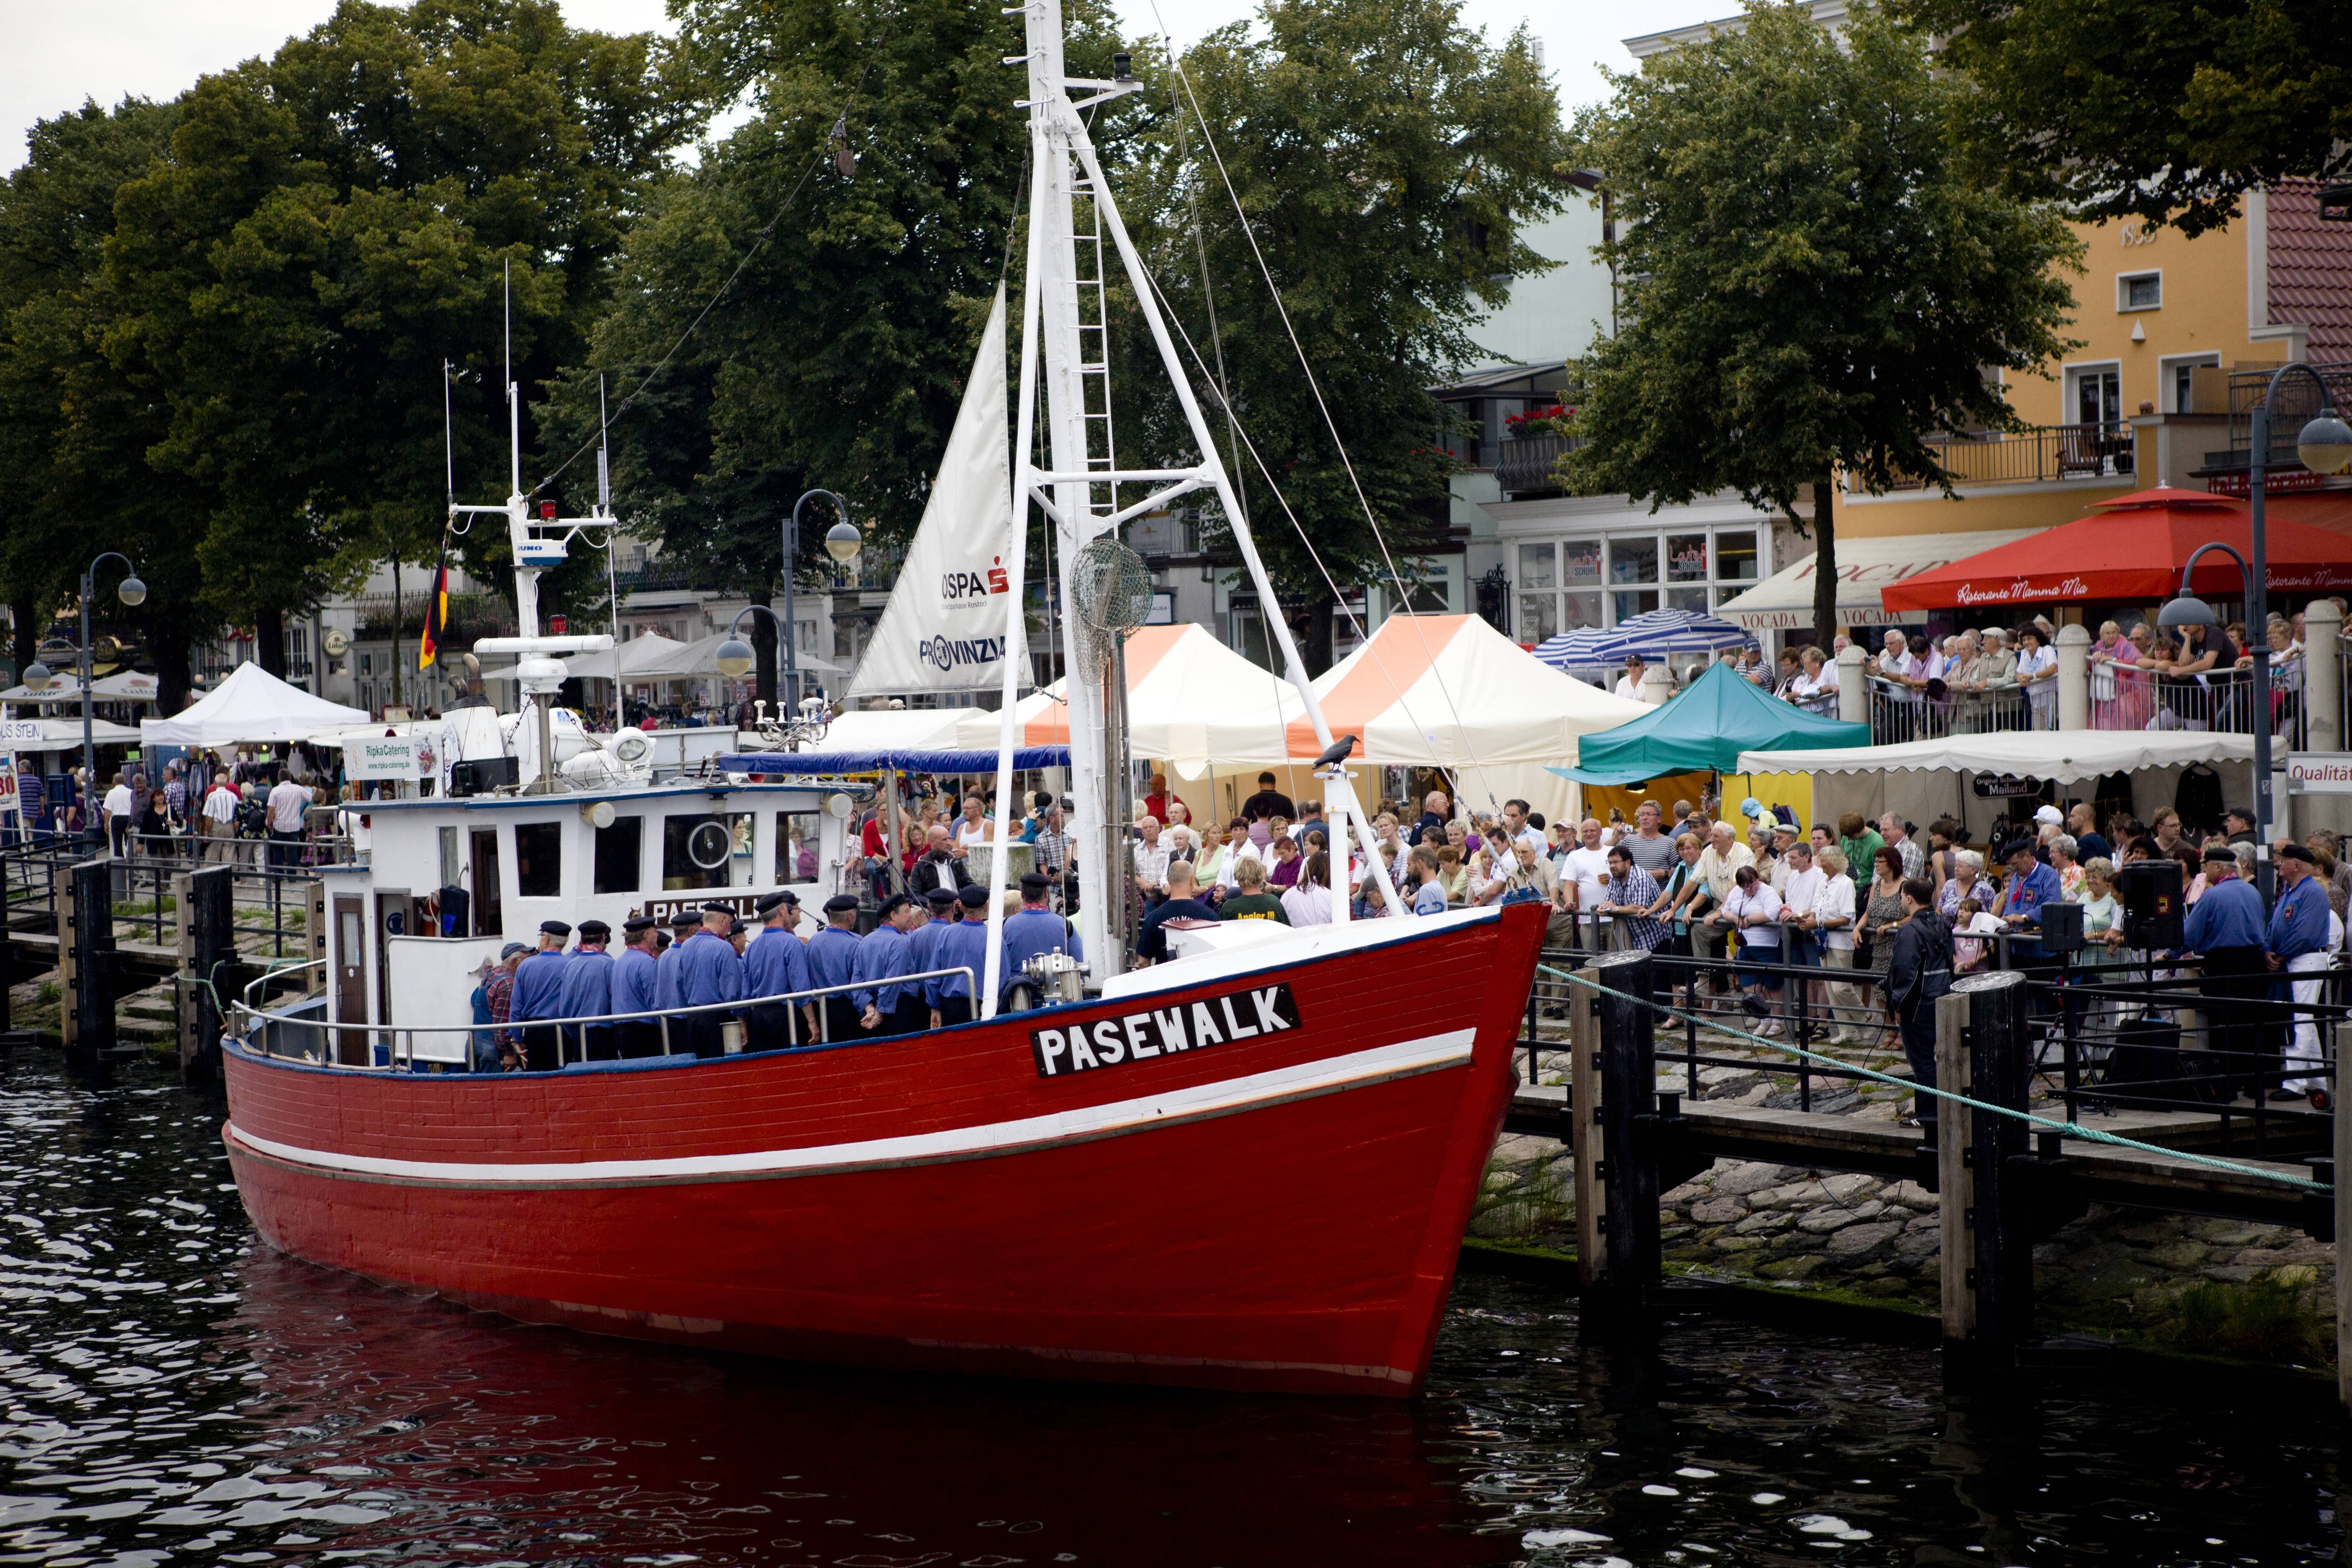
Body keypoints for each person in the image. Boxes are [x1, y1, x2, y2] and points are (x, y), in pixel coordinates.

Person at [2268, 843, 2334, 1098]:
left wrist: (2279, 953)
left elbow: (2304, 934)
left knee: (2300, 1020)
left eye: (2283, 860)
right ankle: (2318, 1083)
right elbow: (2273, 926)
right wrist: (2268, 951)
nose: (2279, 864)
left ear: (2295, 865)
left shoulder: (2312, 893)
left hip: (2306, 959)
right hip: (2292, 960)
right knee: (2303, 1019)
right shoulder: (2289, 891)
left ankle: (2294, 1084)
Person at [1885, 878, 1953, 1126]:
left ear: (1909, 898)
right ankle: (1944, 1110)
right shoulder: (1943, 924)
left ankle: (1929, 1115)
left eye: (1902, 896)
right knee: (1942, 1059)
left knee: (1923, 1061)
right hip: (1944, 999)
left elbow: (1905, 971)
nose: (1901, 900)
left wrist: (1898, 1006)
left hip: (1918, 1005)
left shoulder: (1910, 930)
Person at [1711, 864, 1784, 1030]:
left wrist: (1750, 919)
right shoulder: (1737, 892)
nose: (1751, 889)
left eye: (1754, 884)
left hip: (1768, 945)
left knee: (1773, 984)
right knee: (1749, 985)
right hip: (1745, 946)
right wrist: (1736, 919)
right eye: (1747, 887)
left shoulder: (1768, 891)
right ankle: (1765, 1017)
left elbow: (1772, 913)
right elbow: (1725, 910)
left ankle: (1778, 1021)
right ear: (1740, 886)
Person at [744, 890, 814, 1051]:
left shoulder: (752, 947)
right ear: (782, 911)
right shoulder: (791, 943)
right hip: (785, 1016)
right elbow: (801, 988)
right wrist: (812, 1022)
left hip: (759, 1016)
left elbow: (745, 989)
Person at [1854, 847, 1908, 1046]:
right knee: (1880, 990)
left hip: (1898, 946)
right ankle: (1890, 1031)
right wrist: (1858, 929)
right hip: (1878, 947)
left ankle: (1902, 1033)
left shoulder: (1905, 886)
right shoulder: (1876, 885)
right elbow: (1868, 913)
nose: (1876, 865)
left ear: (1892, 863)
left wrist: (1891, 925)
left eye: (1880, 862)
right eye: (1875, 861)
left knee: (1898, 990)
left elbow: (1912, 915)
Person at [1001, 873, 1083, 1000]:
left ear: (1022, 895)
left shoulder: (1006, 926)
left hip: (1018, 998)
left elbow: (1000, 970)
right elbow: (1078, 966)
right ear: (1046, 894)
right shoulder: (1065, 926)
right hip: (1058, 999)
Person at [679, 905, 747, 1056]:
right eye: (730, 924)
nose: (730, 930)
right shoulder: (724, 948)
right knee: (721, 1068)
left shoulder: (686, 946)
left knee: (699, 1069)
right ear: (722, 920)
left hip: (693, 1016)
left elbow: (683, 980)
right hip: (718, 1018)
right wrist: (742, 1022)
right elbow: (731, 992)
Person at [852, 893, 923, 1037]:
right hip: (898, 1011)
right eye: (907, 911)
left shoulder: (865, 941)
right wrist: (879, 1013)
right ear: (893, 916)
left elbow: (856, 984)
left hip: (875, 1009)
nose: (911, 916)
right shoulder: (899, 942)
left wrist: (869, 1007)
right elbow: (893, 982)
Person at [508, 921, 573, 1072]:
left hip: (534, 1031)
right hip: (562, 1032)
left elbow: (517, 1006)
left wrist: (516, 1039)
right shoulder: (571, 965)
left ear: (546, 939)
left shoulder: (525, 966)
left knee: (536, 1081)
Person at [928, 884, 995, 1025]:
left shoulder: (946, 933)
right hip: (983, 1006)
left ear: (961, 907)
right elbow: (1002, 977)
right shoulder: (993, 937)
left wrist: (935, 1008)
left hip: (950, 1006)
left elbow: (933, 977)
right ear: (986, 907)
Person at [555, 920, 619, 1061]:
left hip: (579, 1032)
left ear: (582, 939)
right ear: (603, 937)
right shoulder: (609, 964)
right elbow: (615, 1001)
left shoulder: (570, 965)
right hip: (603, 1033)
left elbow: (565, 1006)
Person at [807, 894, 867, 1041]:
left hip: (819, 1008)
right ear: (849, 918)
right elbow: (859, 984)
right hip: (846, 1011)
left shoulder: (814, 941)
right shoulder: (855, 944)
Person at [1137, 861, 1222, 962]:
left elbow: (1143, 962)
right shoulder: (1210, 917)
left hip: (1165, 976)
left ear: (1169, 880)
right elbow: (1219, 956)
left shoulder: (1153, 918)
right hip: (1199, 976)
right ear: (1192, 881)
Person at [1594, 844, 1665, 952]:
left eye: (1616, 862)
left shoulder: (1641, 878)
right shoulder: (1615, 877)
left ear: (1628, 863)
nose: (1612, 866)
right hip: (1632, 935)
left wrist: (1615, 909)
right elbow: (1608, 900)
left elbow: (1638, 908)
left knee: (1654, 968)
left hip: (1653, 936)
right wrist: (1603, 907)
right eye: (1610, 863)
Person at [614, 916, 665, 1058]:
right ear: (646, 935)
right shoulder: (646, 962)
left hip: (621, 1028)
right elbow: (653, 1000)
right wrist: (663, 1025)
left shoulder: (620, 960)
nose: (657, 935)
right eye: (655, 932)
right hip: (643, 1030)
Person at [1560, 818, 1612, 948]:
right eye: (1585, 831)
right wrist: (1569, 902)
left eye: (1593, 830)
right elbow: (1568, 884)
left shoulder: (1612, 852)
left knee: (1615, 960)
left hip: (1614, 917)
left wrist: (1612, 878)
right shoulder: (1574, 856)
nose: (1589, 834)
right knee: (1591, 962)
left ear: (1600, 832)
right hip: (1588, 919)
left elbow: (1625, 877)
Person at [1221, 856, 1290, 923]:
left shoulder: (1229, 908)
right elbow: (1288, 931)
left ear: (1237, 877)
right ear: (1261, 875)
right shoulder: (1274, 903)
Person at [1282, 851, 1335, 926]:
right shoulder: (1330, 896)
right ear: (1328, 872)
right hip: (1321, 937)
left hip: (1295, 937)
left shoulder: (1288, 894)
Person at [200, 774, 241, 864]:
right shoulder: (233, 796)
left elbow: (209, 818)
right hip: (230, 826)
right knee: (229, 854)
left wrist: (206, 834)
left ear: (215, 783)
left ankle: (210, 876)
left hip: (216, 827)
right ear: (227, 783)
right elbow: (237, 816)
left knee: (213, 855)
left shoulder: (212, 796)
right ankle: (229, 875)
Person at [1240, 772, 1295, 838]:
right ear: (1274, 784)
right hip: (1280, 837)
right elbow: (1293, 822)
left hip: (1258, 837)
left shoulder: (1251, 800)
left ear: (1260, 784)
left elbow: (1243, 821)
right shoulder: (1286, 800)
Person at [1133, 816, 1172, 906]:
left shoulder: (1169, 844)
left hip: (1168, 899)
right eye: (1145, 828)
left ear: (1158, 829)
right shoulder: (1137, 850)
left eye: (1152, 827)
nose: (1149, 830)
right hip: (1149, 901)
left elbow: (1175, 871)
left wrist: (1158, 883)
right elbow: (1132, 874)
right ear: (1142, 832)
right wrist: (1141, 882)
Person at [101, 772, 134, 858]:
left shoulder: (111, 793)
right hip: (129, 819)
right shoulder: (131, 792)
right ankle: (131, 859)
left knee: (117, 843)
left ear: (114, 782)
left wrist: (106, 824)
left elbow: (108, 810)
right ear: (125, 781)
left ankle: (119, 862)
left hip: (117, 819)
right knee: (130, 843)